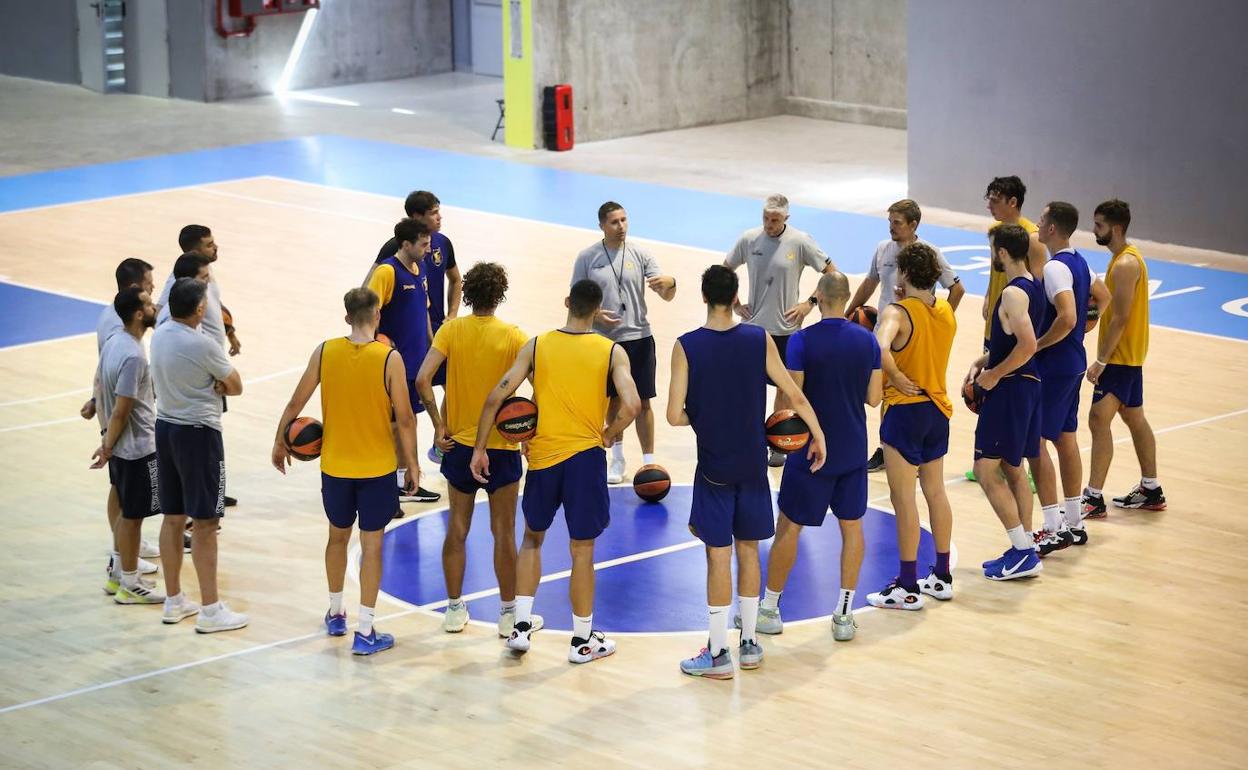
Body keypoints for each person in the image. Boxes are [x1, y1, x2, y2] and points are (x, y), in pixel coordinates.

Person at [668, 265, 827, 678]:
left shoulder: (686, 346)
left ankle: (718, 654)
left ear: (704, 296)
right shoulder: (758, 338)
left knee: (717, 558)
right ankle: (751, 644)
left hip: (715, 470)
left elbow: (673, 415)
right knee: (749, 551)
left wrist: (704, 416)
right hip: (754, 467)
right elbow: (792, 393)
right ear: (736, 294)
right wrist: (817, 435)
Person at [471, 280, 640, 664]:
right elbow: (632, 405)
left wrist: (481, 448)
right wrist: (609, 435)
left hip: (543, 458)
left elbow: (497, 396)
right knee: (582, 550)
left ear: (567, 303)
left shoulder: (537, 345)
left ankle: (520, 626)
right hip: (584, 459)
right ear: (598, 311)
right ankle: (583, 642)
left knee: (532, 539)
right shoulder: (611, 351)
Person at [272, 288, 420, 656]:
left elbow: (295, 402)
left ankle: (337, 613)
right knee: (371, 547)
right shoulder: (390, 359)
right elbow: (404, 419)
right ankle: (366, 631)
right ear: (377, 316)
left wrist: (279, 441)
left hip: (335, 468)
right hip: (376, 469)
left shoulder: (324, 351)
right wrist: (413, 465)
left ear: (346, 317)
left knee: (336, 539)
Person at [415, 263, 543, 637]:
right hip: (501, 446)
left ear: (468, 292)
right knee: (504, 532)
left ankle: (454, 609)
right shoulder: (515, 336)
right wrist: (526, 431)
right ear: (500, 294)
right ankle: (507, 615)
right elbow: (541, 386)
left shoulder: (451, 330)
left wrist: (438, 424)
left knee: (457, 528)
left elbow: (423, 379)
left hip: (459, 444)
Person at [750, 272, 870, 646]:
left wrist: (777, 431)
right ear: (848, 296)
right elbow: (876, 397)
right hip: (852, 446)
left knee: (789, 526)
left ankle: (769, 610)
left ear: (818, 296)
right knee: (852, 529)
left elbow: (791, 396)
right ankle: (845, 615)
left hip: (810, 449)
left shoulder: (802, 340)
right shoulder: (867, 340)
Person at [150, 277, 247, 631]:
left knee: (172, 518)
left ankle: (174, 601)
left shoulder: (159, 334)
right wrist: (217, 383)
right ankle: (210, 610)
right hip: (199, 435)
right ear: (201, 309)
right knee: (206, 523)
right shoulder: (202, 344)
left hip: (165, 430)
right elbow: (235, 385)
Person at [864, 243, 956, 610]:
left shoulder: (898, 312)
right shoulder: (946, 310)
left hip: (905, 411)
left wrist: (897, 376)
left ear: (903, 274)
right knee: (935, 492)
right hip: (938, 410)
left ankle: (906, 584)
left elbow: (878, 345)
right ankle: (942, 576)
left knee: (904, 500)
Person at [845, 199, 964, 472]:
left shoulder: (930, 253)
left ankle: (902, 448)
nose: (891, 228)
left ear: (913, 224)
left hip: (913, 334)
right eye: (890, 222)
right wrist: (848, 313)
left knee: (908, 389)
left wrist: (940, 323)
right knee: (885, 393)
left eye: (897, 223)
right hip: (885, 332)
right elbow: (869, 283)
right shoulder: (882, 249)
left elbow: (957, 289)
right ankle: (888, 447)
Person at [724, 193, 837, 466]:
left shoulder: (799, 242)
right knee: (747, 390)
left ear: (786, 218)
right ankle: (747, 441)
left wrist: (809, 303)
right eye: (765, 218)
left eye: (775, 220)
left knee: (784, 391)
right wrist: (735, 302)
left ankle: (777, 443)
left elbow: (832, 274)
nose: (769, 224)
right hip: (752, 330)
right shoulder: (749, 239)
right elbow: (724, 269)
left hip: (786, 331)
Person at [572, 201, 676, 484]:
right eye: (615, 222)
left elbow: (668, 295)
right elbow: (573, 302)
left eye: (624, 220)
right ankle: (616, 458)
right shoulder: (587, 257)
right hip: (604, 342)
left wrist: (670, 282)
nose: (621, 227)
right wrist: (595, 315)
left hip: (639, 337)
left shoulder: (640, 254)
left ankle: (648, 461)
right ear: (602, 226)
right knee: (614, 400)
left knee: (643, 402)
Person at [1030, 202, 1109, 553]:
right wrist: (1085, 328)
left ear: (1051, 229)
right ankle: (1074, 522)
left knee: (1035, 443)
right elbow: (1103, 297)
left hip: (1054, 364)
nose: (1037, 223)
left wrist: (1037, 345)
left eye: (1041, 219)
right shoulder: (1080, 260)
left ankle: (1051, 526)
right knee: (1065, 437)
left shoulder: (1055, 268)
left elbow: (1066, 317)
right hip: (1073, 359)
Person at [967, 224, 1045, 581]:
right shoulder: (1033, 285)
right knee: (1014, 468)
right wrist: (989, 359)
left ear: (1001, 252)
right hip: (1025, 386)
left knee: (986, 469)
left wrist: (995, 374)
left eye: (992, 251)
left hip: (1011, 388)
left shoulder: (1014, 293)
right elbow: (1017, 341)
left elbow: (1028, 345)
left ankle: (1024, 551)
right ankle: (1023, 548)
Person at [369, 191, 463, 465]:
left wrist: (452, 315)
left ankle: (441, 447)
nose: (439, 217)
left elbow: (456, 280)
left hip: (432, 333)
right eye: (433, 212)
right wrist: (376, 336)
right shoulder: (393, 254)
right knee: (403, 411)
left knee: (454, 389)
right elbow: (368, 294)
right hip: (403, 340)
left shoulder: (440, 245)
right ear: (416, 218)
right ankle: (399, 471)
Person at [1084, 199, 1165, 516]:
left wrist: (1101, 359)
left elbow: (1120, 317)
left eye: (1099, 225)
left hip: (1119, 358)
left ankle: (1093, 497)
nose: (1094, 230)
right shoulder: (1123, 259)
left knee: (1097, 419)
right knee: (1134, 418)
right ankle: (1151, 487)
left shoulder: (1126, 264)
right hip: (1128, 357)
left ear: (1116, 228)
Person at [82, 257, 160, 584]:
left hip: (115, 428)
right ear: (134, 293)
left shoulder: (109, 321)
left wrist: (95, 399)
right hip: (128, 437)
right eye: (149, 288)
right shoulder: (128, 344)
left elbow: (104, 369)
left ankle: (123, 556)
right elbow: (123, 397)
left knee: (122, 494)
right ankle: (123, 563)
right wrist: (107, 444)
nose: (153, 292)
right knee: (130, 507)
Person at [155, 225, 241, 509]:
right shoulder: (175, 291)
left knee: (214, 427)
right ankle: (197, 508)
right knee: (202, 436)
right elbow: (166, 325)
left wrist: (230, 332)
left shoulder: (204, 275)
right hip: (201, 370)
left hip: (210, 362)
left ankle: (213, 486)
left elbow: (216, 306)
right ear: (193, 252)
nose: (215, 247)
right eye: (209, 244)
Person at [367, 217, 441, 506]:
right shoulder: (387, 272)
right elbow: (367, 314)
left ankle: (402, 479)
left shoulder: (419, 267)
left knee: (406, 423)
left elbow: (422, 311)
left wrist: (432, 343)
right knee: (397, 424)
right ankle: (398, 482)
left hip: (416, 361)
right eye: (423, 244)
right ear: (405, 244)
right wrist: (378, 345)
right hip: (393, 365)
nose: (428, 249)